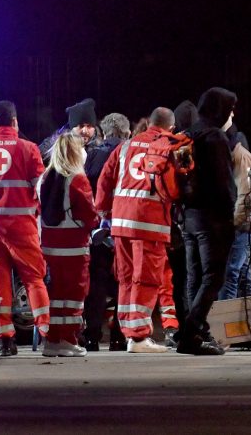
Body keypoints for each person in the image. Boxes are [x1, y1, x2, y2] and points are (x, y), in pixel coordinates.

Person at [0, 100, 51, 357]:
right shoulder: (28, 149)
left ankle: (5, 340)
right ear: (15, 122)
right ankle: (48, 334)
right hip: (21, 225)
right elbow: (41, 190)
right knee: (34, 278)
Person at [95, 107, 179, 353]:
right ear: (170, 128)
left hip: (121, 224)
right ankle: (139, 337)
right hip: (149, 224)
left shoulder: (125, 146)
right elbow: (172, 190)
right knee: (147, 280)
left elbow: (104, 183)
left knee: (126, 278)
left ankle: (130, 332)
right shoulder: (168, 146)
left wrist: (106, 215)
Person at [176, 86, 237, 355]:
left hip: (189, 217)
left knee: (195, 276)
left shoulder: (188, 134)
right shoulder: (215, 138)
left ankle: (196, 331)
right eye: (230, 108)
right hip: (213, 219)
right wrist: (230, 215)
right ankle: (191, 333)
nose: (232, 114)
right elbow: (223, 184)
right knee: (214, 277)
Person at [38, 132, 100, 357]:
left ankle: (52, 340)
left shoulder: (44, 177)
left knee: (54, 295)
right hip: (74, 248)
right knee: (74, 295)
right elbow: (90, 216)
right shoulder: (77, 178)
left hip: (48, 247)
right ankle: (68, 339)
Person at [81, 111, 129, 352]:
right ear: (127, 132)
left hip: (98, 227)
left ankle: (91, 336)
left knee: (97, 284)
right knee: (123, 281)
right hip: (124, 226)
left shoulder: (93, 155)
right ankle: (119, 337)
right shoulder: (131, 154)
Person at [218, 123, 251, 300]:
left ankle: (224, 321)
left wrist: (232, 223)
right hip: (241, 223)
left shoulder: (240, 157)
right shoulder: (235, 156)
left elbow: (245, 195)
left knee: (231, 272)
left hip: (241, 224)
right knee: (244, 274)